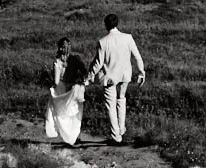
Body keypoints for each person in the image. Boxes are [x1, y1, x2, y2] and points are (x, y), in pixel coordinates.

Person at [89, 13, 145, 145]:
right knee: (121, 100)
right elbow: (137, 57)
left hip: (110, 77)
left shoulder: (103, 42)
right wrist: (141, 72)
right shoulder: (128, 38)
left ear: (106, 25)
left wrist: (90, 75)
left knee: (111, 105)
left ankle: (116, 135)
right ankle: (122, 129)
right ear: (117, 23)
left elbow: (98, 63)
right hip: (125, 75)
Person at [46, 54, 89, 145]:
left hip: (67, 88)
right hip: (78, 89)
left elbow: (56, 81)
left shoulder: (57, 62)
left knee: (64, 112)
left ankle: (70, 136)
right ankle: (76, 136)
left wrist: (53, 85)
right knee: (76, 113)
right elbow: (86, 77)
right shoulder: (76, 60)